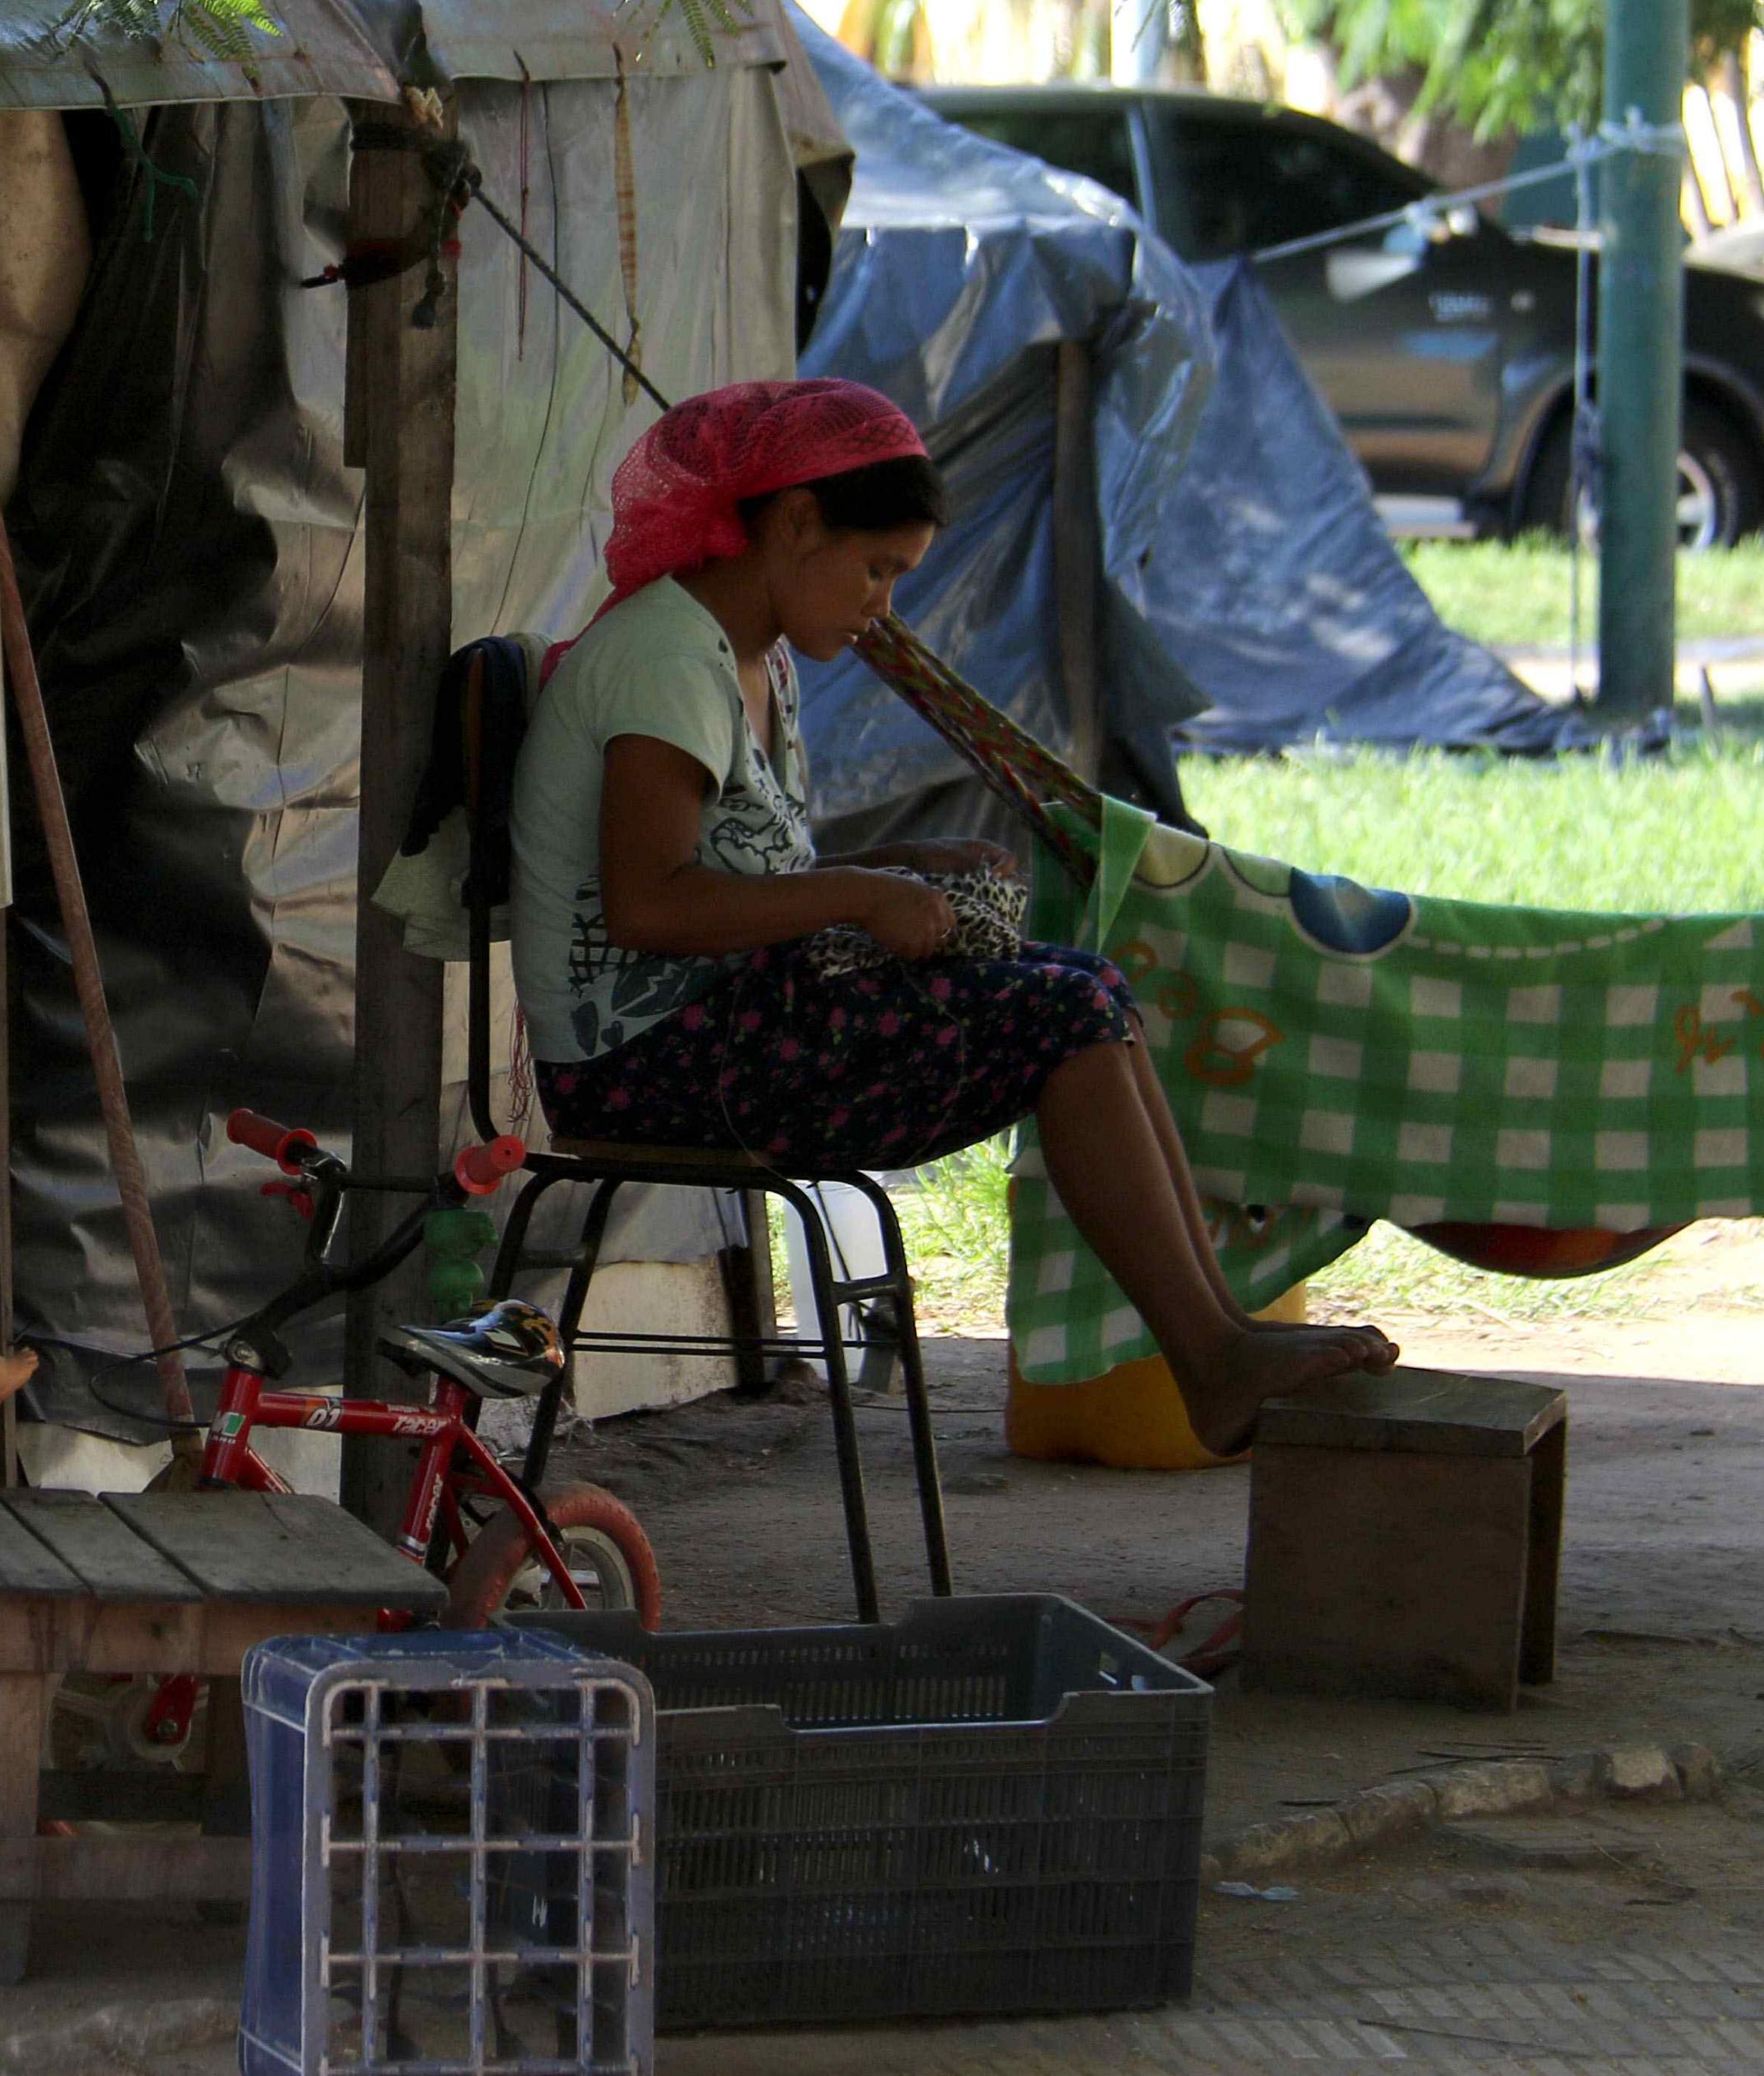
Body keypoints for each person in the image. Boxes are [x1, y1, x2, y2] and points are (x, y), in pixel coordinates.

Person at [509, 376, 1397, 1453]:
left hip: (725, 1027)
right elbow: (654, 904)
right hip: (648, 1064)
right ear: (794, 524)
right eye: (877, 566)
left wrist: (897, 863)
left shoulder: (746, 656)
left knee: (1086, 987)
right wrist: (866, 893)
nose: (882, 602)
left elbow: (740, 872)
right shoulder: (661, 657)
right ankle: (1212, 1355)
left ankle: (1216, 1336)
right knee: (1060, 1016)